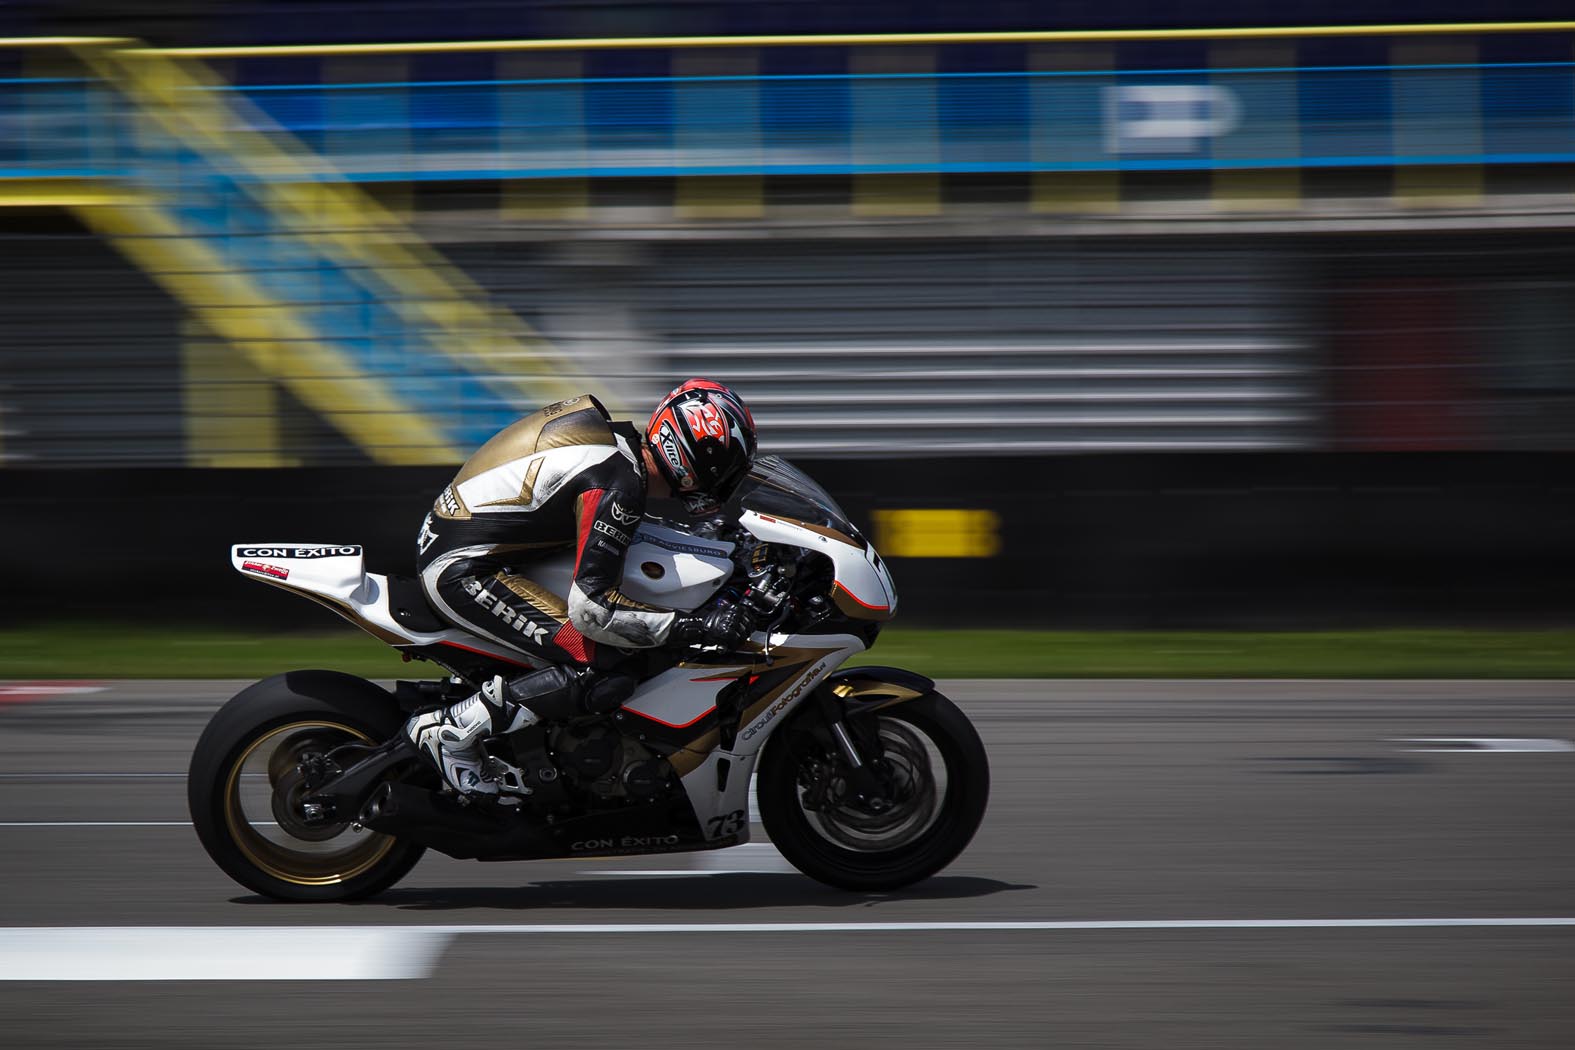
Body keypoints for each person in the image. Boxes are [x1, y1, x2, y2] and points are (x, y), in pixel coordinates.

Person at [404, 380, 760, 796]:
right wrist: (697, 626)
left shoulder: (620, 449)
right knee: (607, 666)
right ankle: (451, 732)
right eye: (728, 467)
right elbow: (593, 608)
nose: (728, 480)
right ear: (698, 459)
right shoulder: (617, 481)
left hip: (473, 548)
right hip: (462, 571)